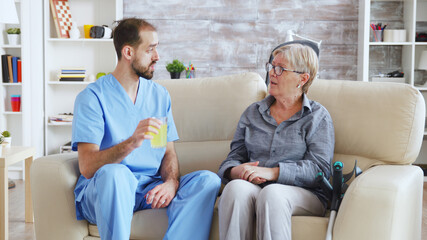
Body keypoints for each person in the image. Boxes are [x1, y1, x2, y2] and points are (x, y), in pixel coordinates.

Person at [71, 18, 221, 240]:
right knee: (116, 174)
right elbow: (87, 166)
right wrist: (131, 142)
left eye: (157, 48)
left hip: (148, 188)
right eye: (150, 49)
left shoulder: (158, 96)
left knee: (208, 181)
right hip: (105, 189)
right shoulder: (92, 98)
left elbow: (167, 151)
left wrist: (171, 183)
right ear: (128, 52)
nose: (157, 57)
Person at [217, 42, 334, 240]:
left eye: (280, 69)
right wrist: (239, 171)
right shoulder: (252, 113)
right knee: (235, 189)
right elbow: (233, 158)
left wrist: (273, 172)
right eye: (271, 66)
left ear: (302, 78)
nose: (272, 73)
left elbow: (319, 169)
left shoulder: (317, 117)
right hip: (256, 187)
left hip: (304, 193)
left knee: (273, 194)